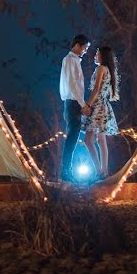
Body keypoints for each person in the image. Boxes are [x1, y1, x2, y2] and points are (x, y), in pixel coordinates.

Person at [81, 45, 120, 179]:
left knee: (88, 139)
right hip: (105, 106)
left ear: (102, 56)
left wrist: (88, 105)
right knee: (101, 140)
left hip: (97, 106)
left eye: (97, 54)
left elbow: (96, 89)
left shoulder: (100, 68)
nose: (94, 56)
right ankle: (104, 171)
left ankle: (99, 171)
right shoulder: (109, 70)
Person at [59, 34, 90, 181]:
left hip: (72, 103)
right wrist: (82, 105)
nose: (85, 51)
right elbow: (73, 84)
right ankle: (66, 172)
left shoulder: (73, 60)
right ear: (78, 45)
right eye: (85, 47)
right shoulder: (70, 60)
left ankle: (66, 171)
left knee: (72, 136)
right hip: (73, 103)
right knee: (72, 137)